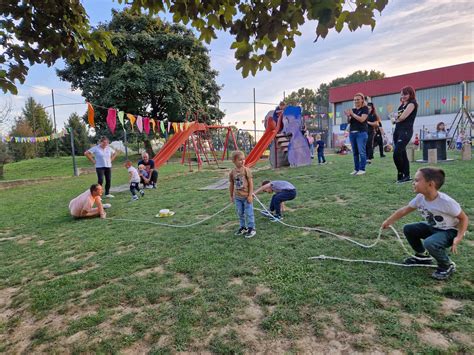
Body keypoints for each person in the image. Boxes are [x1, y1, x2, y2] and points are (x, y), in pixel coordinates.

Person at [381, 167, 468, 280]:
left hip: (450, 231)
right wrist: (388, 221)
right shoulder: (420, 198)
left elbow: (464, 218)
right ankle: (422, 256)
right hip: (434, 227)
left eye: (417, 180)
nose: (413, 183)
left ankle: (446, 265)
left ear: (430, 184)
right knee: (409, 229)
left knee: (430, 243)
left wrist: (459, 237)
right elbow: (404, 210)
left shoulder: (446, 202)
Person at [393, 86, 418, 183]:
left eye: (405, 94)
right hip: (398, 130)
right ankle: (406, 175)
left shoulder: (412, 104)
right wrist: (395, 118)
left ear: (410, 94)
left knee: (396, 153)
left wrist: (395, 118)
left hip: (405, 131)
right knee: (402, 154)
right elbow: (398, 117)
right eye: (402, 94)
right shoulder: (402, 105)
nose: (403, 96)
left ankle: (401, 173)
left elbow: (402, 117)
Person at [229, 151, 256, 238]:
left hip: (246, 197)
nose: (243, 161)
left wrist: (250, 195)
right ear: (234, 161)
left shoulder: (246, 170)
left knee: (249, 213)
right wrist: (231, 196)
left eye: (243, 159)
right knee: (240, 213)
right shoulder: (232, 172)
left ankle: (251, 228)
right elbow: (231, 184)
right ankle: (243, 227)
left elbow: (251, 183)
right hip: (238, 197)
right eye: (240, 160)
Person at [344, 93, 369, 175]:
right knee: (355, 153)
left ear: (362, 100)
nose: (356, 101)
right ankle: (356, 169)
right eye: (355, 100)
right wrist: (348, 116)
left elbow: (362, 119)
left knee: (362, 152)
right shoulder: (353, 110)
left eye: (358, 99)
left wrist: (353, 114)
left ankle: (362, 169)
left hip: (361, 133)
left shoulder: (365, 108)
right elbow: (349, 122)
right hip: (352, 133)